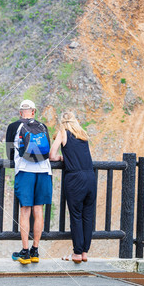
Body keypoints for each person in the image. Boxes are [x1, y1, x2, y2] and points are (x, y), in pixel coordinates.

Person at [6, 100, 52, 265]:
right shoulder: (43, 127)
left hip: (25, 171)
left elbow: (9, 154)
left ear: (20, 112)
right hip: (44, 170)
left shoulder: (14, 127)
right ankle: (35, 250)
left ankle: (24, 252)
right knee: (38, 209)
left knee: (25, 210)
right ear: (33, 112)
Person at [49, 112, 96, 263]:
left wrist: (61, 158)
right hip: (90, 176)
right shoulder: (83, 134)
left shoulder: (63, 133)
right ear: (75, 121)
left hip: (75, 179)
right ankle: (84, 252)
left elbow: (51, 154)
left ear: (62, 122)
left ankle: (76, 253)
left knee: (76, 215)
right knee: (87, 216)